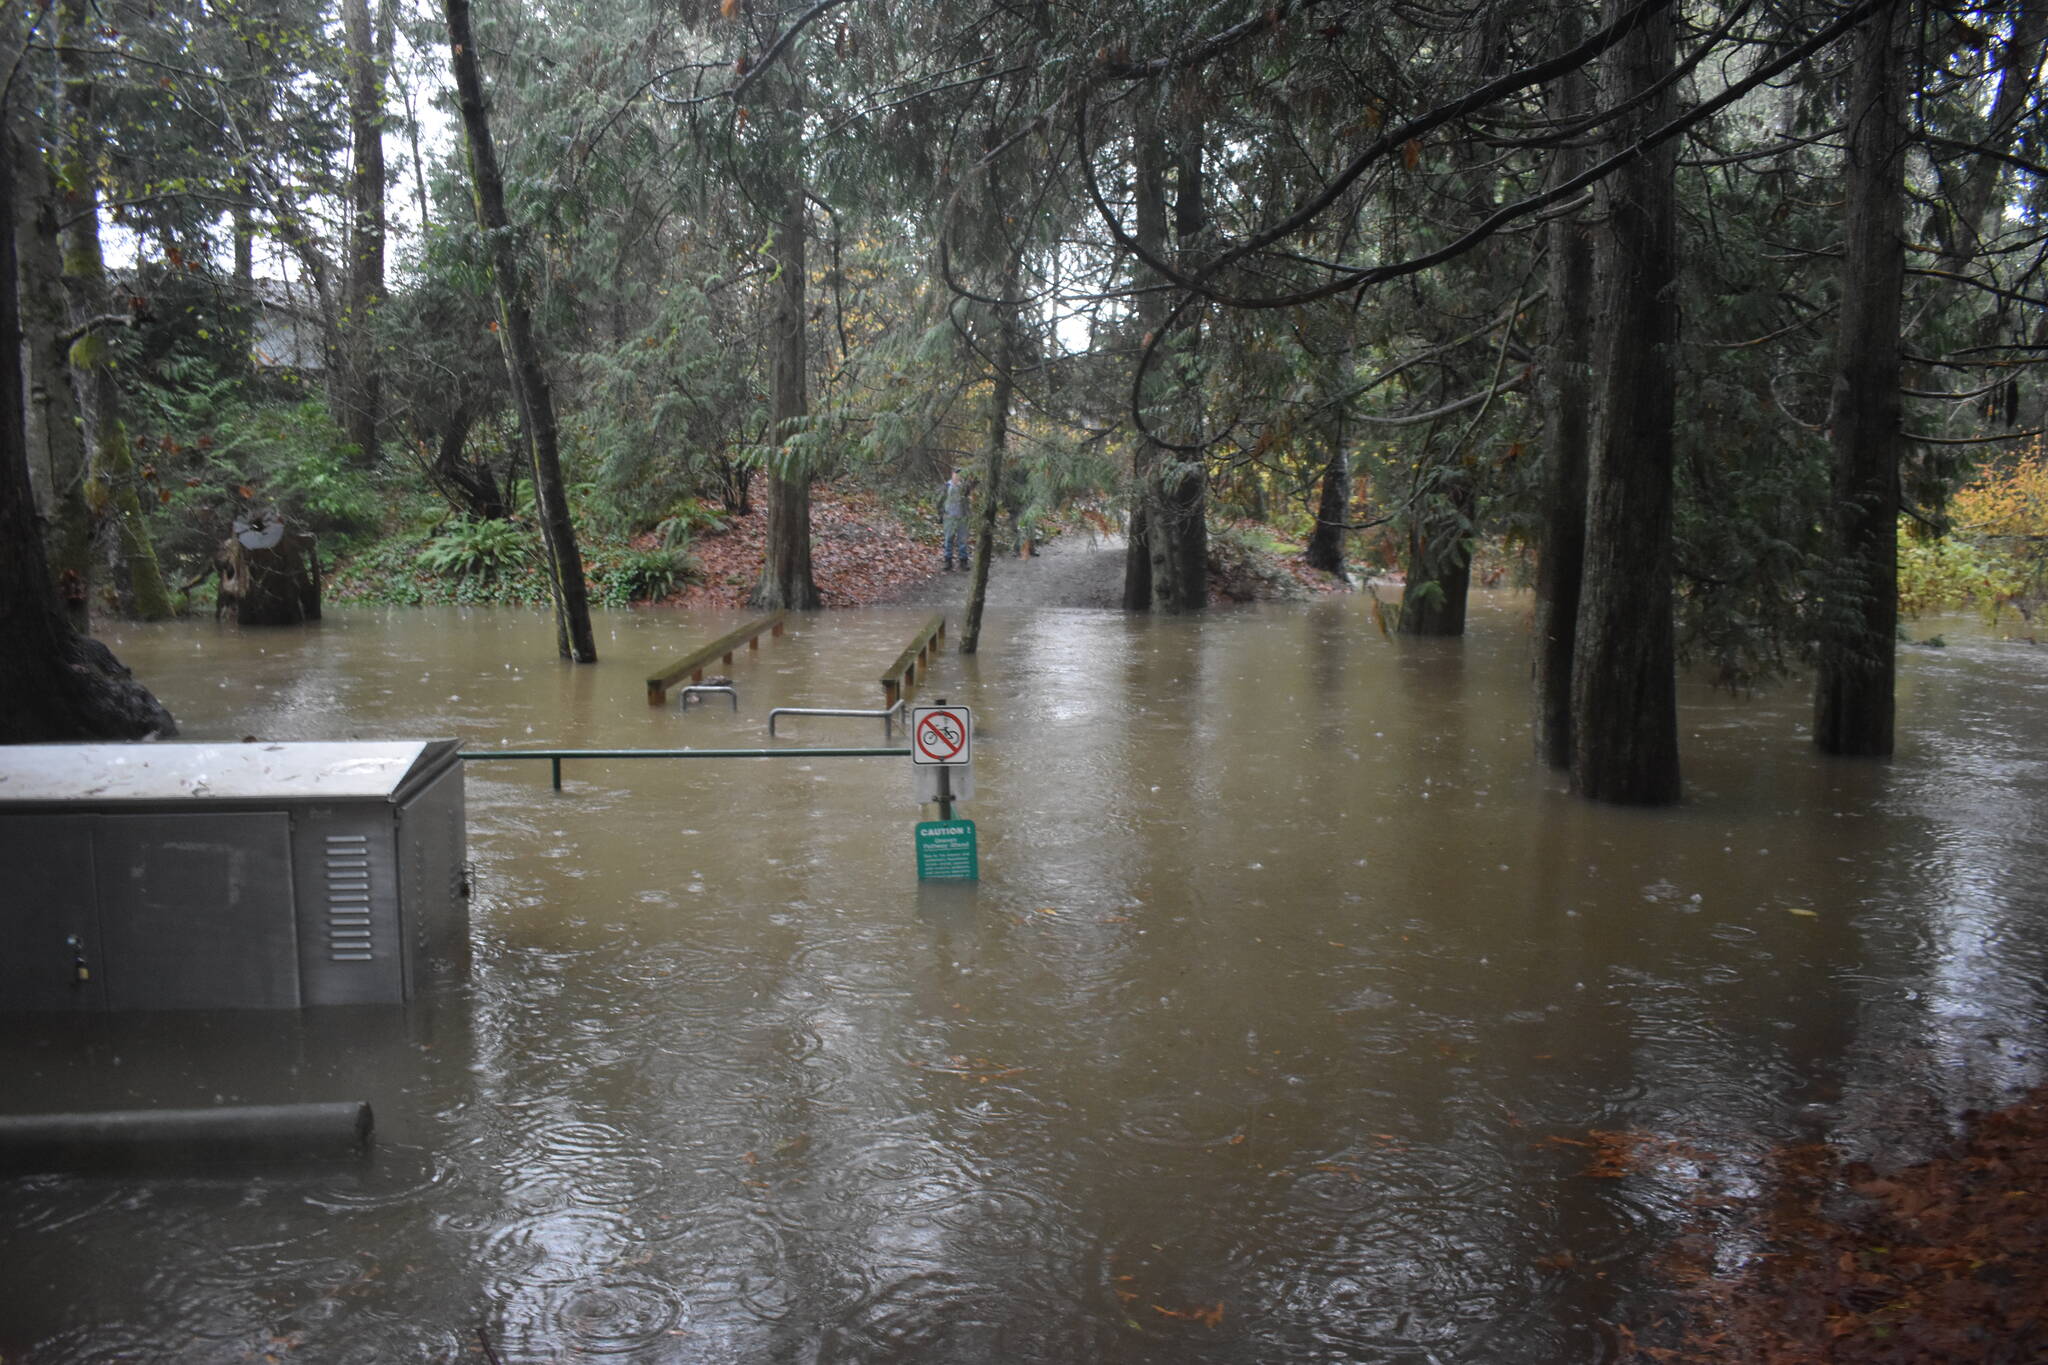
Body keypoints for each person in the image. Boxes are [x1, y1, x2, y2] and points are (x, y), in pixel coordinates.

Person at [940, 471, 971, 570]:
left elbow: (967, 499)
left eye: (959, 475)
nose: (957, 477)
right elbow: (940, 501)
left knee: (962, 540)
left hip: (962, 517)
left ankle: (963, 561)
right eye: (955, 474)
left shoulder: (964, 488)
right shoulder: (946, 486)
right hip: (949, 517)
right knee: (948, 539)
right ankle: (948, 561)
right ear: (952, 475)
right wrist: (941, 514)